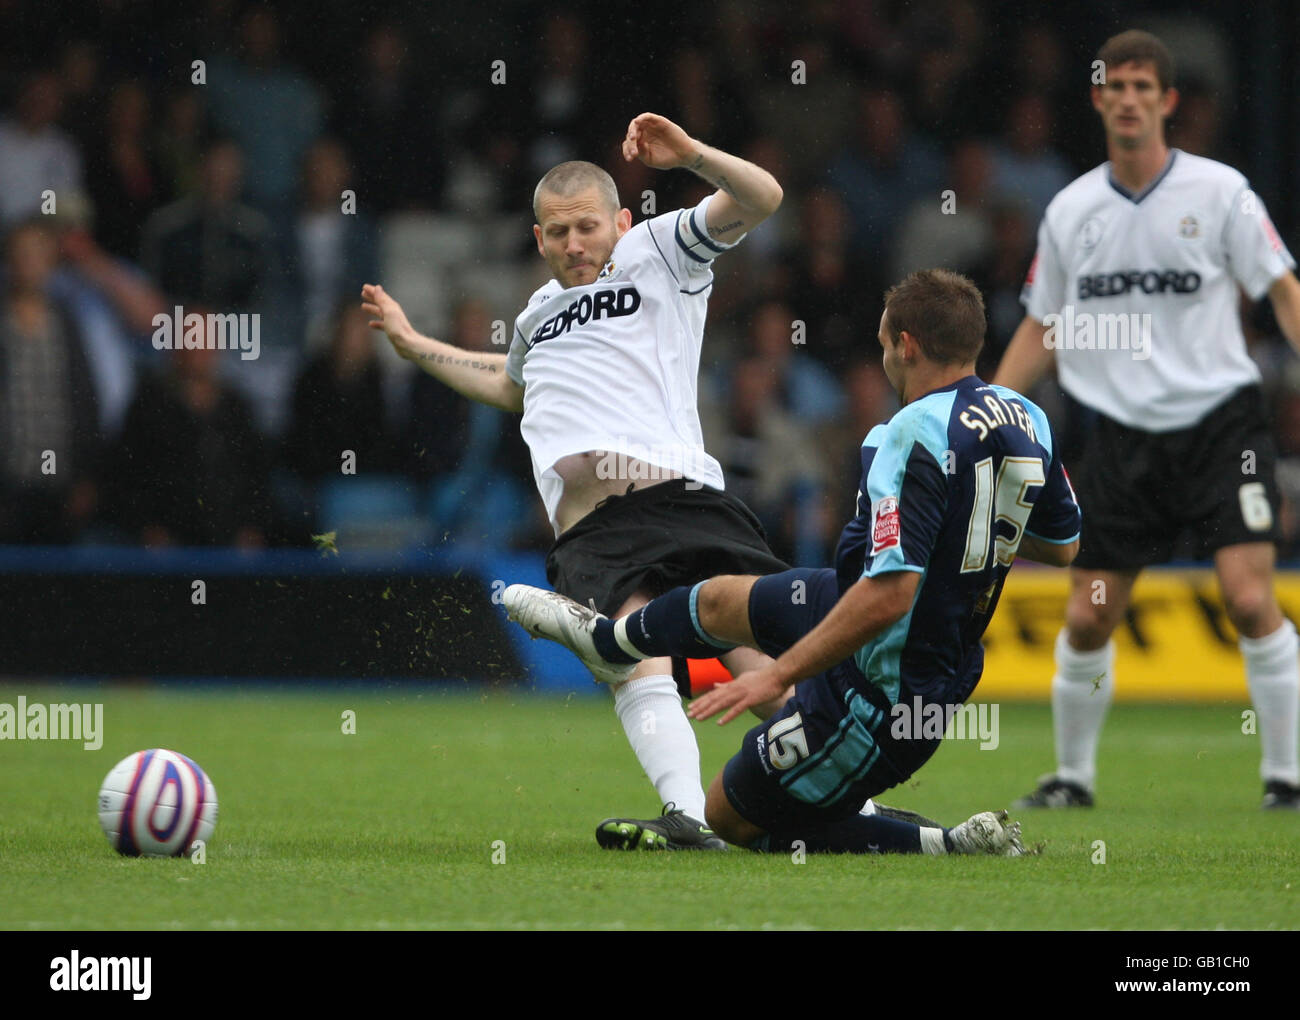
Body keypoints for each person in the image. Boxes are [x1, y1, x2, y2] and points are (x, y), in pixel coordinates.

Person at [504, 269, 1081, 855]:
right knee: (717, 598)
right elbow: (1063, 546)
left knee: (729, 815)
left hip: (888, 673)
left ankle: (941, 844)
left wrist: (779, 675)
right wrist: (967, 533)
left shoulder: (908, 434)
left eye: (883, 342)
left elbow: (889, 597)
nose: (881, 355)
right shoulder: (1027, 417)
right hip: (863, 603)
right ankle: (610, 641)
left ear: (906, 345)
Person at [362, 113, 794, 849]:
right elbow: (505, 384)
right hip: (593, 530)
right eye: (557, 233)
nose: (574, 244)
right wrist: (412, 345)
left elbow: (763, 197)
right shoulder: (533, 317)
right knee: (634, 660)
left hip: (685, 498)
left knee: (765, 674)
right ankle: (688, 819)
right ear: (537, 239)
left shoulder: (662, 251)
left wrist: (688, 155)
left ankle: (855, 802)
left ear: (621, 220)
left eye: (587, 227)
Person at [993, 30, 1300, 810]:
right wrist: (987, 410)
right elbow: (1045, 325)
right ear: (1098, 99)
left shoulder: (1221, 192)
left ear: (1166, 102)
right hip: (1122, 437)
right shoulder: (1071, 210)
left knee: (1249, 597)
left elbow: (1282, 287)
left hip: (1221, 426)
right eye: (1115, 86)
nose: (1128, 98)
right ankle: (1072, 779)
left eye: (1143, 87)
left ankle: (1287, 779)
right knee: (1090, 615)